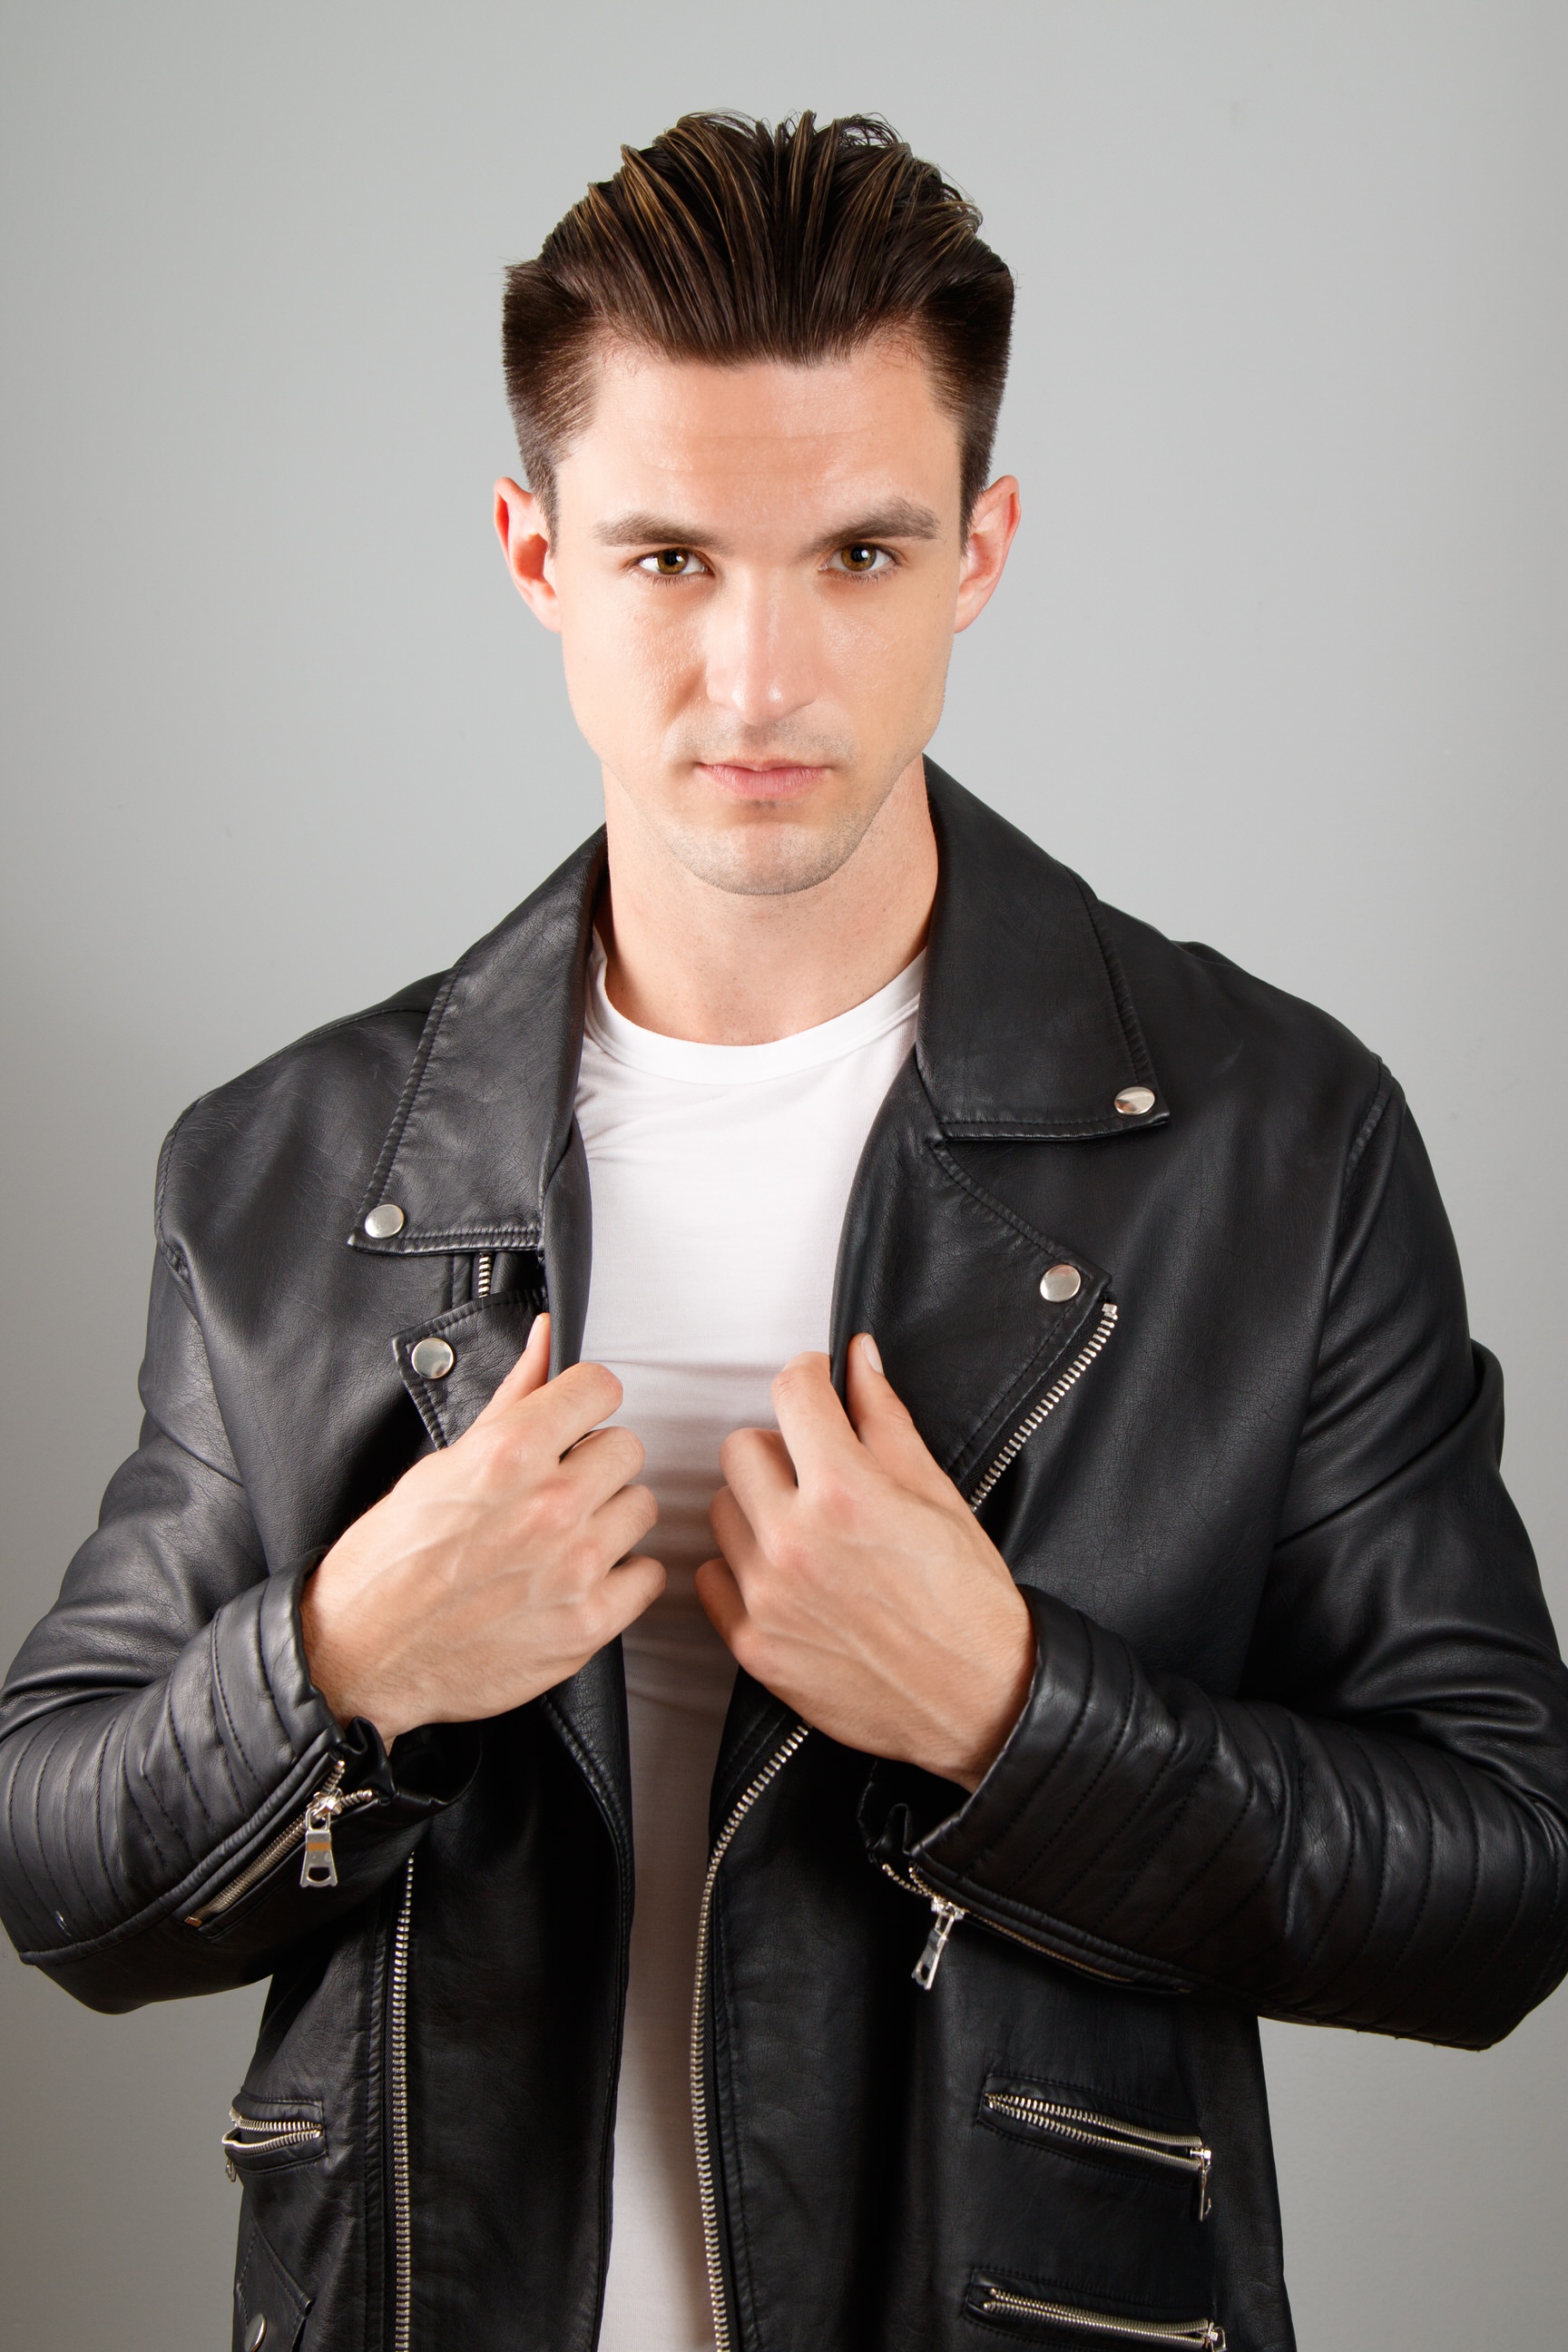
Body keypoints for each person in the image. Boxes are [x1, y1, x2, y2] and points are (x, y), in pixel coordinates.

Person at [2, 109, 1565, 2352]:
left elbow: (1502, 1877)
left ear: (980, 551)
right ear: (534, 556)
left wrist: (1012, 1713)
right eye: (668, 559)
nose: (758, 678)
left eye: (857, 554)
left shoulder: (1274, 1144)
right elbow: (58, 1862)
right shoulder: (285, 1171)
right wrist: (342, 1661)